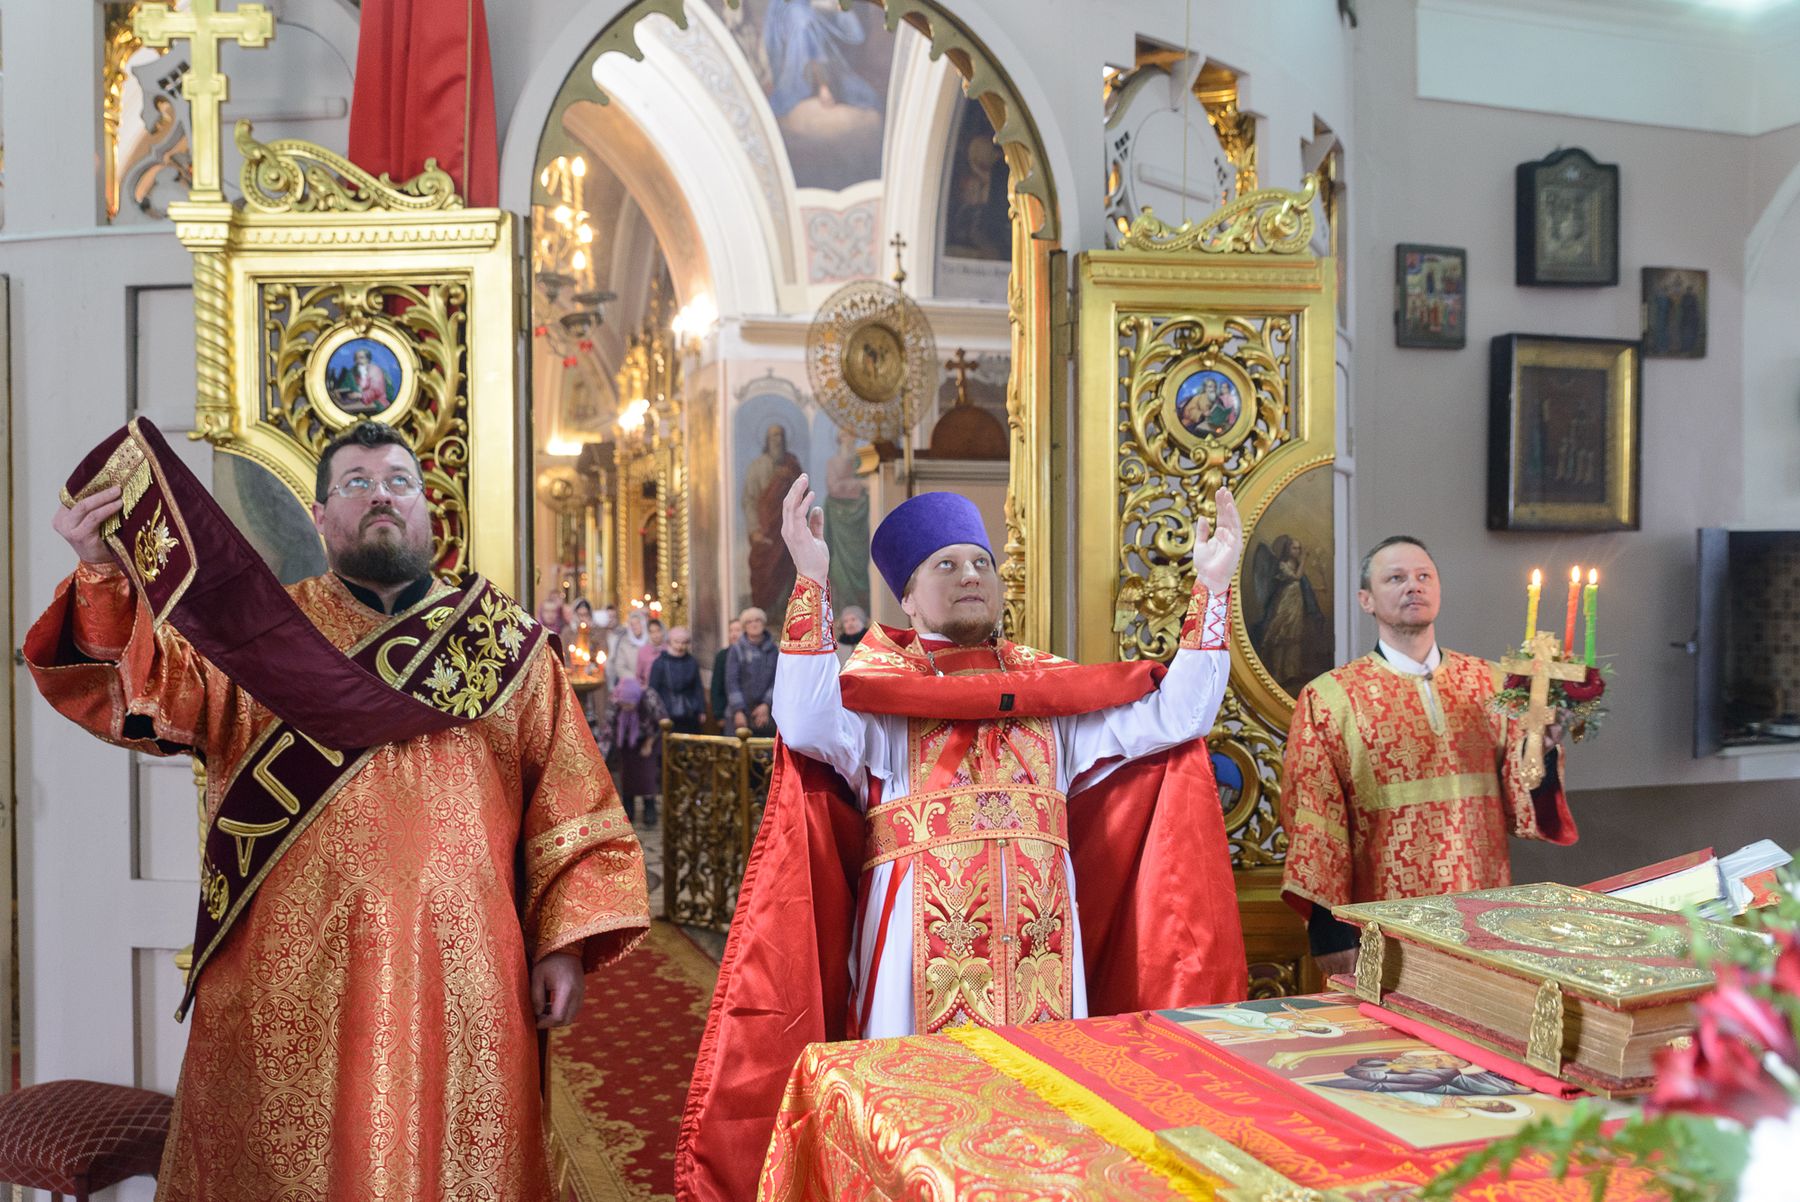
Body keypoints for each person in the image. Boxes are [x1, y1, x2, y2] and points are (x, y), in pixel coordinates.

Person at [27, 420, 649, 1200]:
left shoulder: (507, 646)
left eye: (397, 481)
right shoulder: (255, 638)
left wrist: (561, 946)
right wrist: (102, 576)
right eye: (355, 484)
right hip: (287, 985)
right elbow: (145, 697)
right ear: (319, 518)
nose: (379, 496)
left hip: (464, 984)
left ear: (430, 512)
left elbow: (574, 804)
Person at [679, 481, 1247, 1202]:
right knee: (908, 1136)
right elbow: (805, 722)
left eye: (980, 562)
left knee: (1050, 1133)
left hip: (1044, 958)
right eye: (945, 565)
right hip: (910, 967)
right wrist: (813, 579)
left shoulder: (1053, 694)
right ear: (908, 599)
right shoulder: (882, 697)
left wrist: (1214, 587)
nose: (971, 574)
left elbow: (1179, 716)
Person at [1279, 535, 1577, 980]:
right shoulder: (1330, 698)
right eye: (1395, 578)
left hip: (1485, 914)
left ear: (1438, 589)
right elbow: (1315, 820)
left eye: (1423, 576)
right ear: (1366, 599)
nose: (1412, 586)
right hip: (1387, 922)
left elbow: (1522, 795)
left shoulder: (1493, 685)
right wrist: (1331, 934)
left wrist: (1545, 749)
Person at [742, 425, 803, 615]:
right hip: (766, 528)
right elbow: (749, 500)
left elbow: (803, 494)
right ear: (767, 441)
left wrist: (791, 478)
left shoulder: (792, 465)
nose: (777, 440)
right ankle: (765, 615)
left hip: (788, 530)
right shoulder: (757, 467)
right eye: (773, 436)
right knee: (763, 568)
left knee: (788, 569)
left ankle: (787, 614)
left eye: (780, 436)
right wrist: (754, 530)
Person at [724, 605, 778, 736]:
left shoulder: (773, 649)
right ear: (744, 627)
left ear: (764, 624)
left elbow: (777, 679)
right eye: (749, 622)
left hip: (767, 714)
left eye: (757, 620)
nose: (754, 624)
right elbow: (732, 682)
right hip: (740, 712)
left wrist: (766, 704)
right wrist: (738, 711)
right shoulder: (736, 649)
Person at [649, 625, 706, 735]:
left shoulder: (692, 662)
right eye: (677, 642)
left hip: (689, 713)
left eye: (684, 643)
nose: (680, 646)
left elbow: (697, 687)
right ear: (670, 642)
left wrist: (701, 710)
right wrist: (655, 713)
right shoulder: (659, 663)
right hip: (666, 713)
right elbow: (653, 691)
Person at [709, 617, 742, 730]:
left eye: (738, 630)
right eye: (731, 631)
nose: (734, 634)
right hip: (728, 712)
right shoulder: (722, 656)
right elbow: (717, 686)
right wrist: (719, 714)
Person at [606, 607, 650, 690]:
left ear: (643, 624)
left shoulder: (650, 642)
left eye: (637, 623)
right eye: (632, 624)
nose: (635, 627)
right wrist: (636, 680)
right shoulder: (624, 643)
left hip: (650, 683)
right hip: (631, 684)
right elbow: (620, 667)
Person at [637, 615, 665, 684]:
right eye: (652, 632)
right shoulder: (643, 651)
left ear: (663, 631)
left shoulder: (669, 649)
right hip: (649, 689)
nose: (656, 635)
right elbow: (638, 675)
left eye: (658, 631)